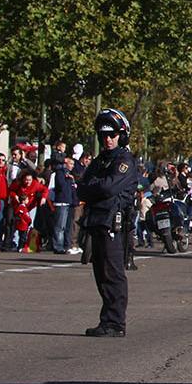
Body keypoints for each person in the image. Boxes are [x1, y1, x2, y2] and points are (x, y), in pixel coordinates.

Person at [78, 109, 139, 337]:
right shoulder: (100, 161)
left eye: (112, 135)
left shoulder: (124, 160)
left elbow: (107, 187)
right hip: (97, 221)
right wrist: (95, 187)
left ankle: (115, 323)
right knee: (101, 274)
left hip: (113, 223)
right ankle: (107, 319)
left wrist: (95, 187)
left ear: (121, 135)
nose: (108, 139)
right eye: (103, 135)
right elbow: (82, 188)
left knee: (112, 273)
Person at [47, 152, 79, 254]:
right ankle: (58, 246)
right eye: (71, 164)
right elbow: (61, 186)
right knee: (59, 226)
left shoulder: (69, 175)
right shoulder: (60, 173)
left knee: (66, 226)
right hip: (61, 202)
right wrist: (68, 179)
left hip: (68, 202)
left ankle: (66, 245)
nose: (72, 166)